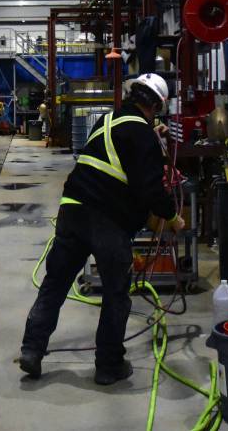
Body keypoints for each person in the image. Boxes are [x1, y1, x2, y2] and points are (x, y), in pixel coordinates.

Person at [19, 73, 184, 385]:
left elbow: (122, 152)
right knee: (116, 293)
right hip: (107, 220)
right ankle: (109, 365)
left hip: (72, 209)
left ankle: (31, 349)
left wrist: (153, 137)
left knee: (55, 284)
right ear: (158, 107)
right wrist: (172, 217)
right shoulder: (143, 135)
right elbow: (150, 188)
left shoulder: (108, 120)